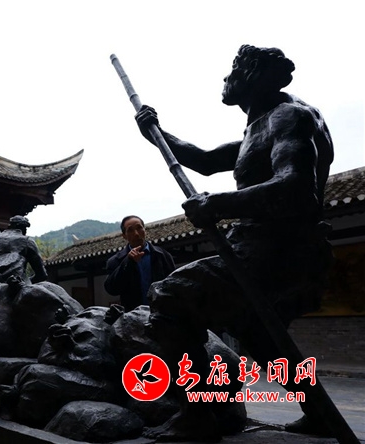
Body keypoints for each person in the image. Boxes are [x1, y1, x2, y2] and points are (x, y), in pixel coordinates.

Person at [134, 44, 334, 441]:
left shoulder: (289, 116)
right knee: (258, 332)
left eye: (232, 71)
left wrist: (217, 204)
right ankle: (321, 413)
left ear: (252, 72)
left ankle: (197, 415)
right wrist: (155, 133)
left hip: (279, 247)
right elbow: (206, 160)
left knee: (169, 297)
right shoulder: (260, 126)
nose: (226, 80)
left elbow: (297, 187)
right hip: (273, 246)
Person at [104, 215, 175, 311]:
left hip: (161, 312)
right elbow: (112, 289)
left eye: (139, 228)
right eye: (130, 230)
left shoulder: (163, 255)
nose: (136, 234)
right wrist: (128, 261)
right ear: (124, 236)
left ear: (144, 230)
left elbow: (173, 285)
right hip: (133, 314)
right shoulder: (116, 261)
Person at [0, 208, 48, 284]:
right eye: (25, 228)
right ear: (23, 228)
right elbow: (42, 274)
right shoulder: (27, 241)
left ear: (9, 226)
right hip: (14, 283)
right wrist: (28, 281)